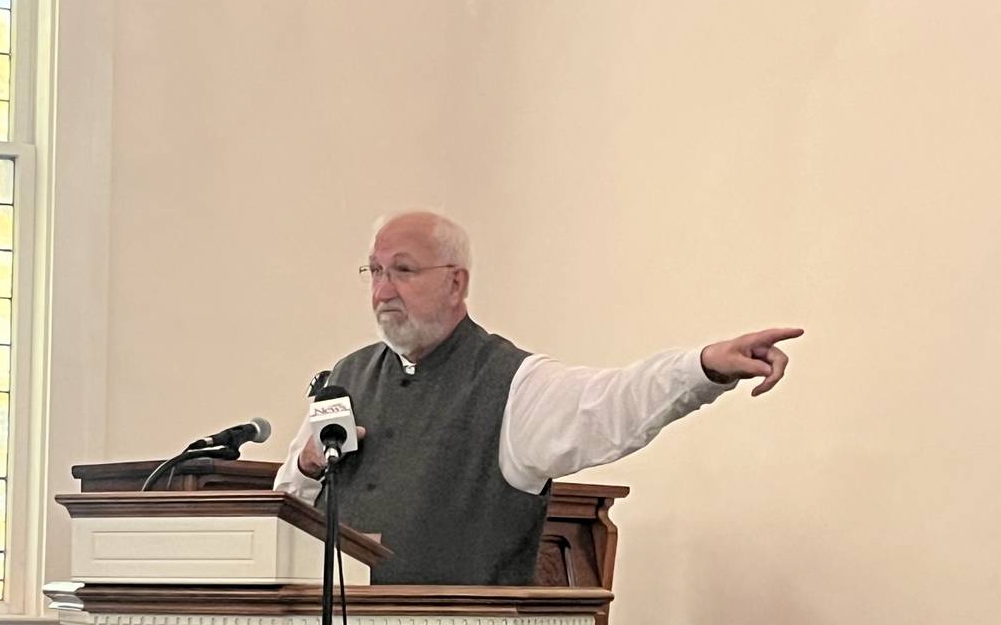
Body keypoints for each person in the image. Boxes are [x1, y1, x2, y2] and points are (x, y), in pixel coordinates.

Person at [273, 211, 802, 585]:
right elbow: (286, 505)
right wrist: (307, 465)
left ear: (456, 283)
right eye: (376, 271)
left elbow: (612, 403)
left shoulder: (511, 383)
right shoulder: (346, 377)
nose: (383, 289)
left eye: (403, 270)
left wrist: (703, 365)